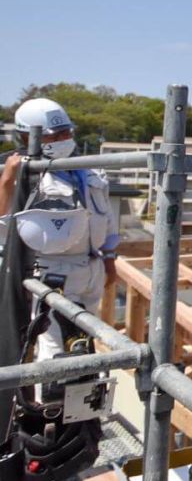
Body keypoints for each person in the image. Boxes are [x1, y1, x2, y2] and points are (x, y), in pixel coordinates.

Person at [0, 97, 119, 362]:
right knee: (53, 345)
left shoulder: (89, 169)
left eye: (67, 132)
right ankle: (47, 402)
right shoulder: (26, 171)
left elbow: (108, 218)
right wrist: (8, 181)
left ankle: (83, 398)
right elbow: (2, 224)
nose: (64, 138)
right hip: (53, 270)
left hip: (92, 267)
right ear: (27, 136)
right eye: (55, 135)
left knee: (85, 340)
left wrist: (110, 259)